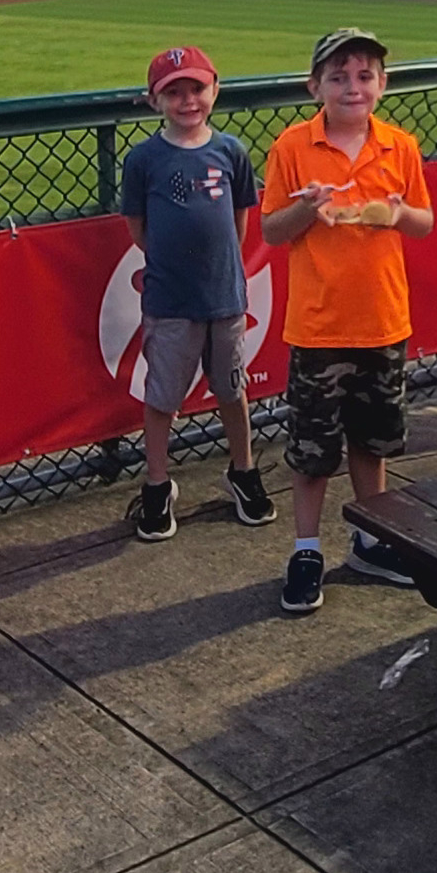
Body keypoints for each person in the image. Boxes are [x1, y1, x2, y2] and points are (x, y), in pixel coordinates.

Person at [257, 28, 435, 616]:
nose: (352, 88)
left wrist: (394, 213)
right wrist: (307, 208)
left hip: (383, 318)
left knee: (374, 439)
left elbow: (424, 222)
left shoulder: (398, 146)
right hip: (318, 325)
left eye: (364, 76)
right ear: (316, 87)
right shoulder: (293, 146)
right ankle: (306, 549)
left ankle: (370, 537)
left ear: (381, 85)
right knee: (312, 450)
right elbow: (271, 232)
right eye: (338, 77)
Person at [115, 45, 270, 540]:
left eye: (196, 89)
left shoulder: (230, 151)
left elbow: (240, 222)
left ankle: (243, 471)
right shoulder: (144, 159)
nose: (187, 101)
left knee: (232, 389)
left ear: (215, 90)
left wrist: (217, 268)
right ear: (154, 100)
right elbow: (139, 228)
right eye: (173, 92)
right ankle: (158, 483)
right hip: (171, 300)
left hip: (224, 297)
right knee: (163, 397)